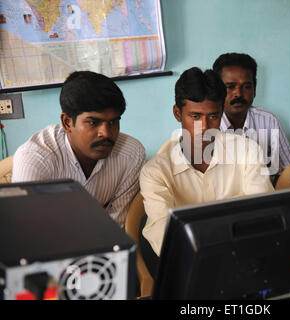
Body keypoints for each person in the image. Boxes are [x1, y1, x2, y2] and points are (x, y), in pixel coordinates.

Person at [140, 67, 274, 262]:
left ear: (221, 113)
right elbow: (164, 239)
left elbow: (262, 217)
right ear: (178, 113)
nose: (204, 127)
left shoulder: (247, 151)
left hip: (244, 257)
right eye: (195, 117)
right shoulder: (154, 172)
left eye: (213, 116)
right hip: (189, 263)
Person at [12, 71, 146, 226]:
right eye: (93, 122)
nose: (106, 133)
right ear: (67, 122)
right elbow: (28, 230)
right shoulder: (35, 159)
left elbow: (115, 226)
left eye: (113, 122)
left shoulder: (132, 154)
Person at [212, 53, 290, 181]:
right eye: (230, 87)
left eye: (246, 86)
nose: (238, 94)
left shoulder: (268, 121)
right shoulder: (208, 125)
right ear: (217, 90)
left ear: (255, 88)